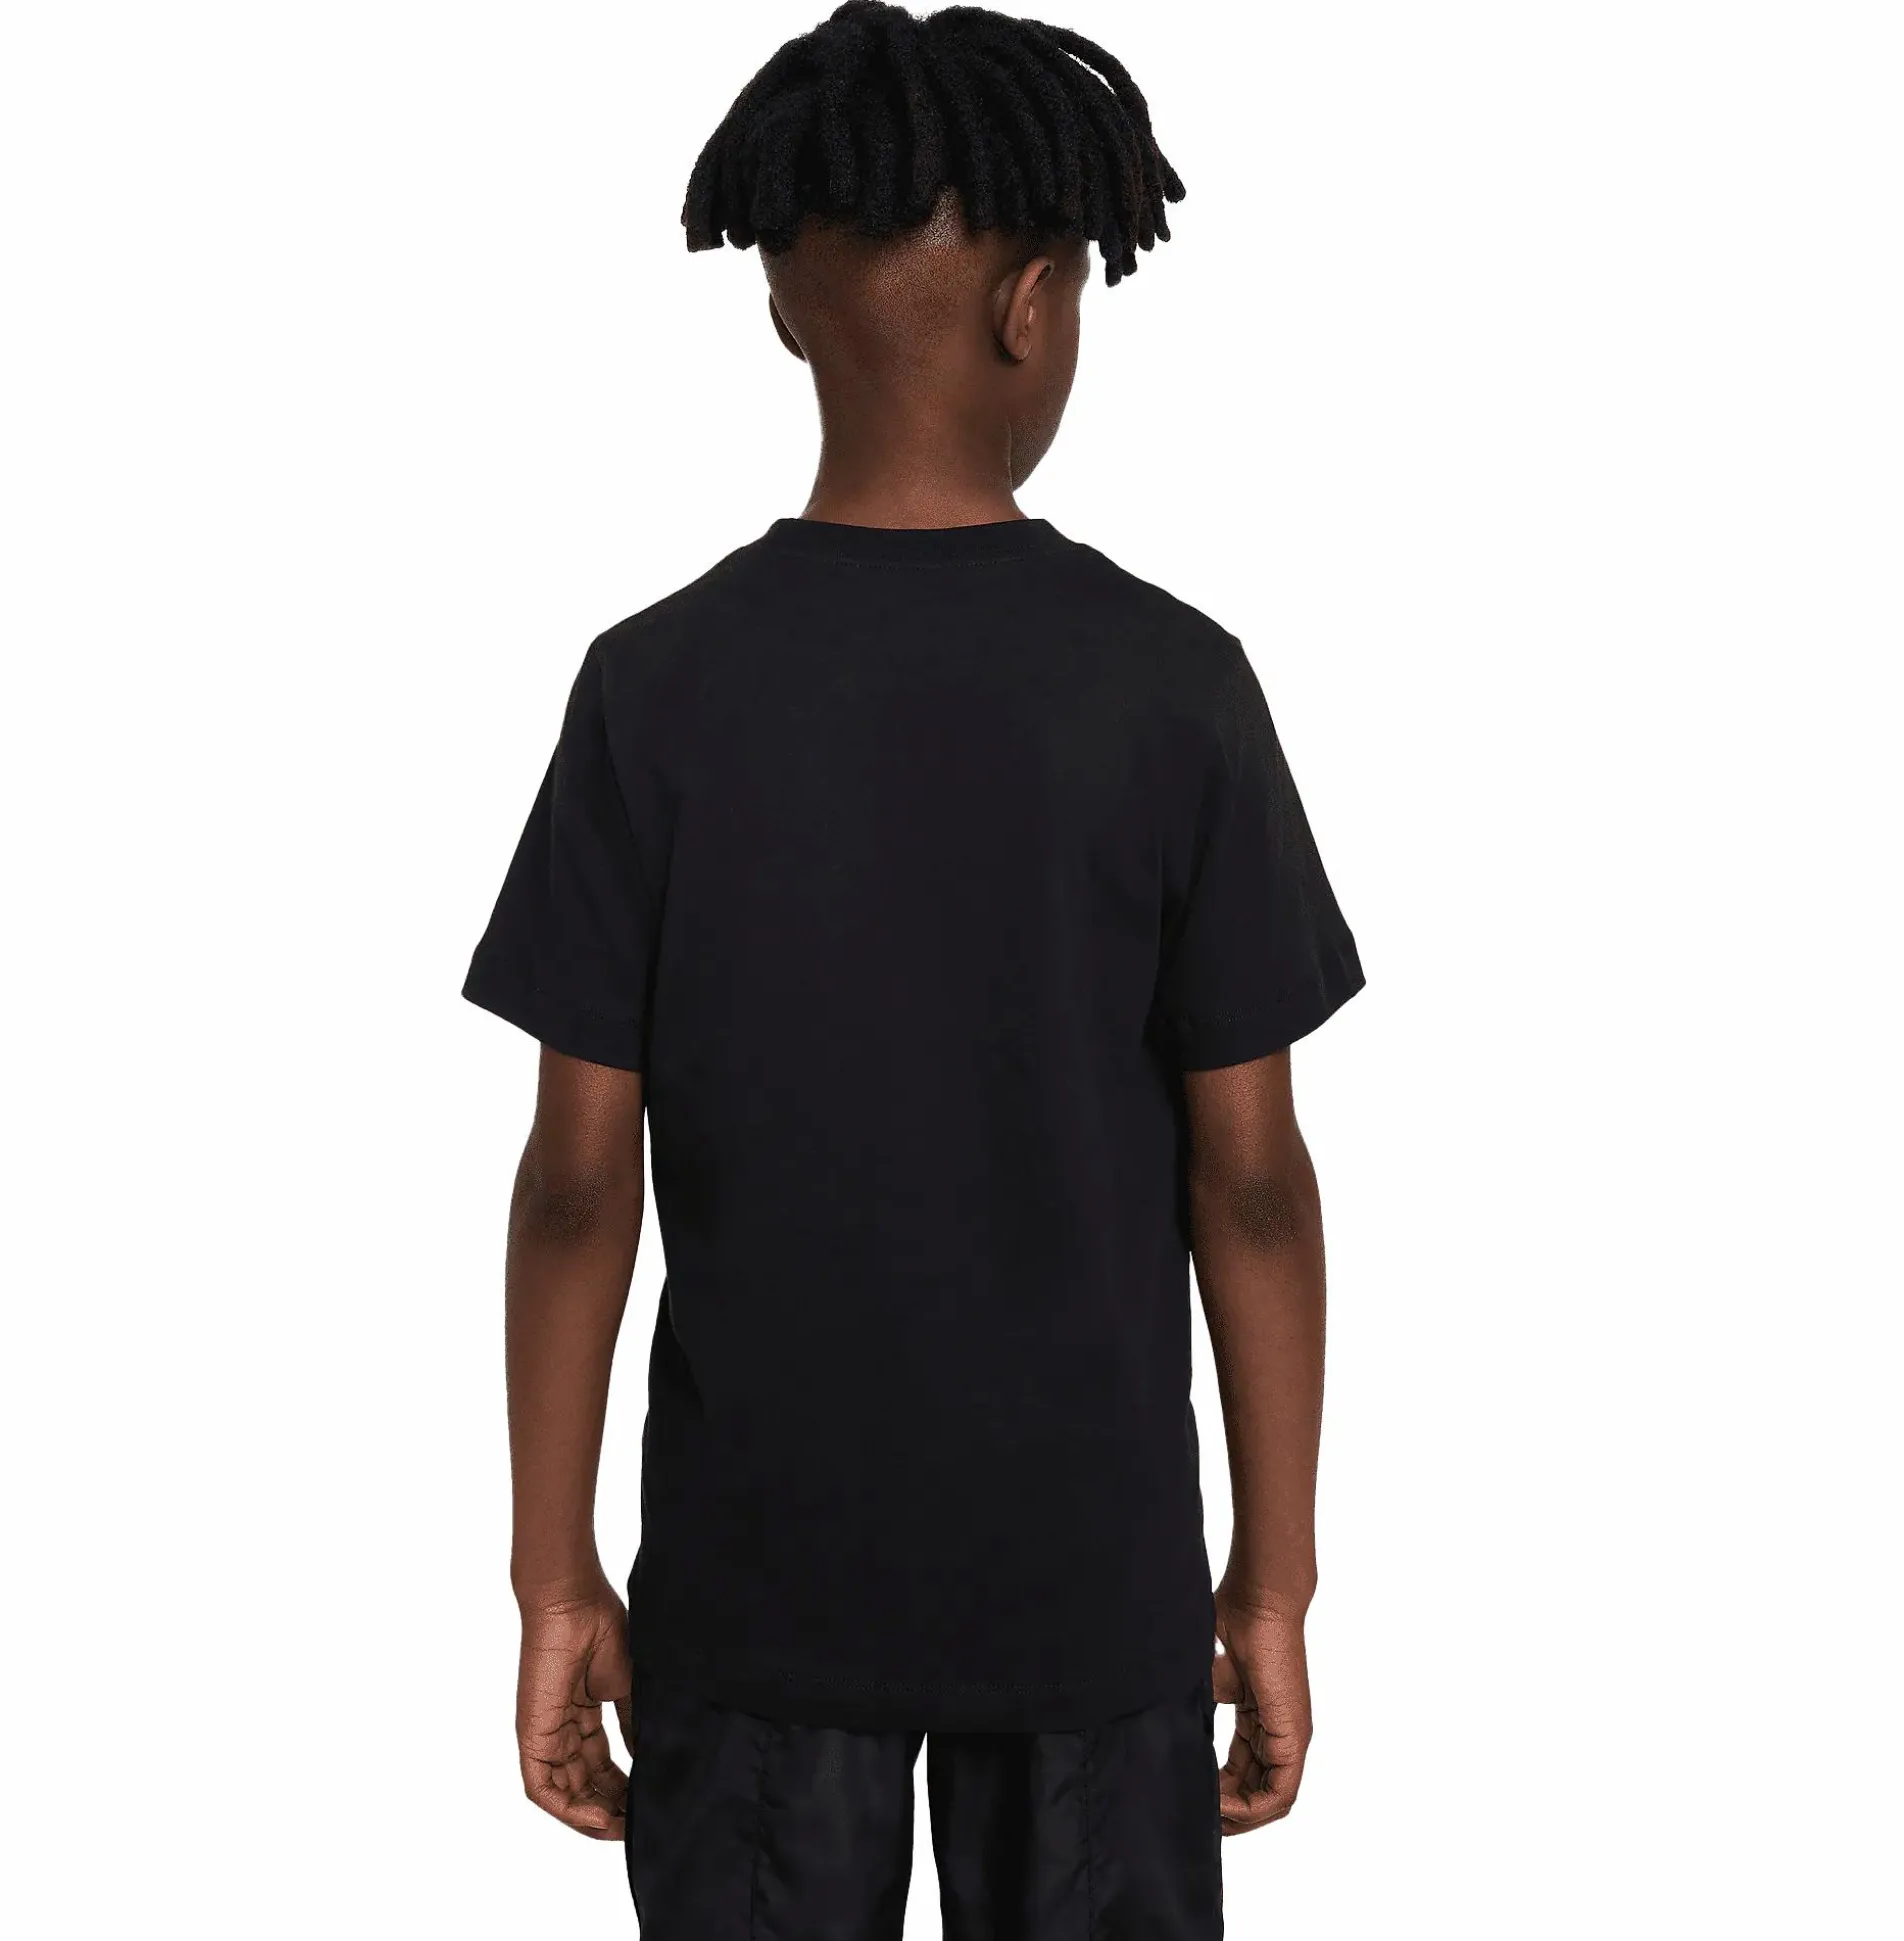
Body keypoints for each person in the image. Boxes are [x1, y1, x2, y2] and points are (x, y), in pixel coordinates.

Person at [463, 5, 1363, 1934]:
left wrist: (553, 1574)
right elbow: (1254, 1186)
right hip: (1093, 1602)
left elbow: (572, 1189)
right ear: (1039, 306)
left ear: (784, 310)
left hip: (754, 1597)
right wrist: (1273, 1580)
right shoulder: (1176, 688)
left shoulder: (653, 691)